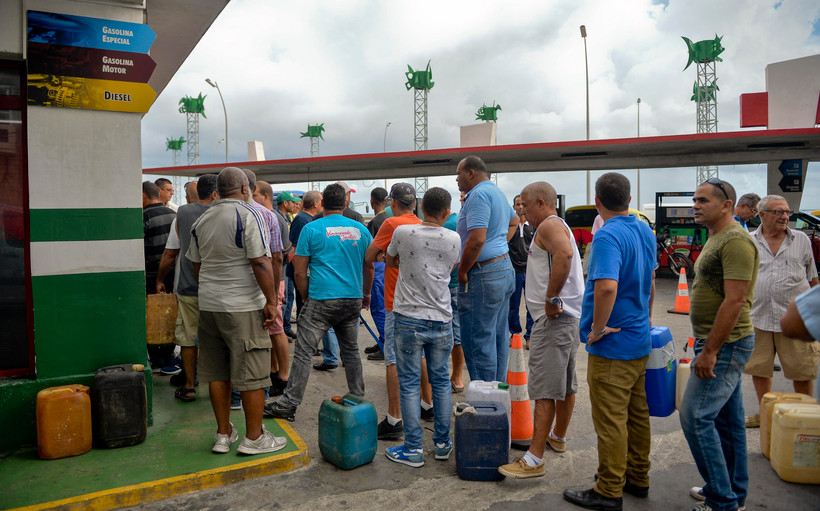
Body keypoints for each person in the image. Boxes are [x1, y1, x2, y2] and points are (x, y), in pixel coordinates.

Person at [563, 173, 656, 511]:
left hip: (613, 345)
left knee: (611, 420)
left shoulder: (607, 236)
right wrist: (643, 319)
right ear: (629, 199)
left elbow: (605, 287)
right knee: (636, 414)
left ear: (597, 201)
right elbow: (649, 282)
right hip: (639, 338)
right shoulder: (644, 229)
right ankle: (638, 477)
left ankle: (608, 489)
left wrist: (597, 329)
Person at [186, 167, 286, 455]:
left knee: (217, 371)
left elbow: (196, 264)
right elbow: (261, 262)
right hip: (242, 306)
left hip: (210, 305)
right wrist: (271, 301)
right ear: (244, 188)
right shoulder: (247, 214)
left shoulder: (203, 218)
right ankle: (254, 437)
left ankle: (223, 433)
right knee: (253, 373)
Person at [680, 178, 758, 511]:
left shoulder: (736, 241)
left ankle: (722, 501)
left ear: (727, 205)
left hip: (726, 345)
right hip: (715, 342)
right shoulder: (716, 236)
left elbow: (736, 300)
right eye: (695, 199)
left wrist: (710, 351)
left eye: (703, 200)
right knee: (726, 421)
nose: (695, 205)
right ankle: (730, 491)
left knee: (695, 417)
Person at [265, 183, 374, 422]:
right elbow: (369, 265)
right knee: (352, 351)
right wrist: (365, 294)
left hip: (322, 298)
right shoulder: (361, 230)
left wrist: (305, 296)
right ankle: (358, 398)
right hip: (351, 299)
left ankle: (289, 403)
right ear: (345, 203)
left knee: (304, 352)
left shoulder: (311, 229)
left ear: (322, 203)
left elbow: (300, 272)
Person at [499, 182, 583, 478]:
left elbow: (565, 255)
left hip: (555, 318)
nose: (522, 210)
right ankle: (557, 437)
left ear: (540, 202)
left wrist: (550, 299)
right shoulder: (554, 224)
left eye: (524, 205)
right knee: (565, 382)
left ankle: (534, 459)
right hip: (566, 317)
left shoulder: (548, 225)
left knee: (546, 387)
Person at [384, 187, 461, 467]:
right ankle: (442, 444)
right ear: (446, 212)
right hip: (442, 318)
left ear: (420, 208)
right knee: (441, 382)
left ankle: (413, 448)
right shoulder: (454, 238)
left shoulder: (404, 233)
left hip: (408, 317)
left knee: (409, 383)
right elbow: (450, 269)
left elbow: (390, 259)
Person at [744, 195, 818, 428]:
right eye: (778, 212)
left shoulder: (802, 240)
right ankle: (766, 414)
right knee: (760, 369)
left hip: (796, 321)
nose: (785, 216)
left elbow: (812, 277)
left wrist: (816, 318)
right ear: (762, 215)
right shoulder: (748, 241)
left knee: (802, 371)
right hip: (759, 317)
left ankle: (805, 417)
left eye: (787, 212)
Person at [365, 183, 423, 439]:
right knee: (419, 354)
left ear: (393, 203)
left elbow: (369, 255)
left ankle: (393, 419)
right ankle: (428, 404)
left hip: (395, 300)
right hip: (420, 299)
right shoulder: (422, 224)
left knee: (392, 359)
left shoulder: (391, 223)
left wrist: (382, 257)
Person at [155, 175, 218, 400]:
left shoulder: (181, 214)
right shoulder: (232, 213)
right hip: (222, 290)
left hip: (189, 286)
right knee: (221, 338)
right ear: (215, 193)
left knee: (189, 337)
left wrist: (160, 279)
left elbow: (170, 253)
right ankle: (225, 390)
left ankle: (190, 386)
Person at [455, 155, 516, 382]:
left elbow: (477, 239)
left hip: (483, 274)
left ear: (471, 173)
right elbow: (514, 221)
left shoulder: (478, 194)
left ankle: (485, 405)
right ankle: (496, 395)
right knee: (498, 338)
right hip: (502, 268)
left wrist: (463, 270)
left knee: (477, 340)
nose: (457, 180)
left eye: (459, 174)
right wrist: (500, 245)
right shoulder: (496, 192)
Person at [248, 178, 287, 399]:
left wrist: (274, 290)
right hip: (270, 280)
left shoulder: (275, 218)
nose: (251, 201)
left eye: (255, 196)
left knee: (277, 329)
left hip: (274, 281)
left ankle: (283, 375)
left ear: (265, 196)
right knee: (271, 330)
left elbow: (278, 256)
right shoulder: (271, 216)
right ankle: (274, 370)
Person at [365, 187, 389, 355]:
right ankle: (382, 340)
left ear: (372, 201)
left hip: (378, 269)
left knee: (378, 308)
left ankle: (385, 344)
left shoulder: (375, 223)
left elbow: (371, 252)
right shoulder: (389, 219)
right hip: (387, 268)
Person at [508, 194, 535, 347]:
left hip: (530, 271)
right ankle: (515, 333)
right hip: (514, 271)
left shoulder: (532, 226)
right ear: (513, 207)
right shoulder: (509, 226)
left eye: (522, 204)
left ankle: (530, 335)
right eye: (517, 204)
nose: (520, 207)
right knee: (513, 305)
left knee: (531, 304)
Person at [289, 190, 322, 316]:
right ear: (315, 203)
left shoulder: (311, 219)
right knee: (305, 310)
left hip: (309, 273)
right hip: (303, 274)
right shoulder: (302, 220)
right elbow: (295, 250)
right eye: (321, 201)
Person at [445, 196, 465, 393]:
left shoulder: (450, 225)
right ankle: (456, 376)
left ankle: (457, 377)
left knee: (454, 333)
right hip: (456, 283)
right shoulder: (459, 220)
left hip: (451, 284)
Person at [143, 181, 176, 295]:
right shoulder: (174, 214)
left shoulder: (144, 216)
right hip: (173, 273)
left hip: (152, 276)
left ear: (143, 195)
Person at [277, 191, 302, 341]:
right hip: (282, 264)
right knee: (283, 298)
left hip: (287, 263)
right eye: (292, 202)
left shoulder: (286, 218)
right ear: (285, 203)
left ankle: (285, 327)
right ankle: (282, 330)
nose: (295, 205)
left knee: (289, 296)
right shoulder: (279, 218)